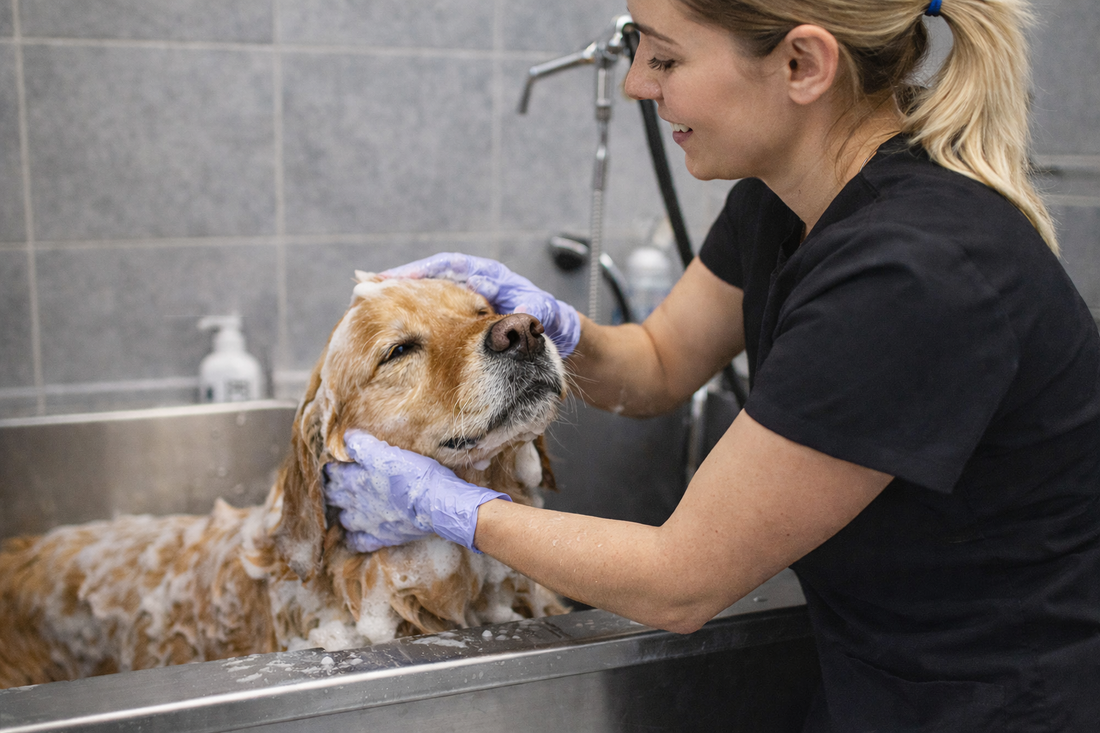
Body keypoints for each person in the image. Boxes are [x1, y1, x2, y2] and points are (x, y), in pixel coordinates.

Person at [322, 0, 1100, 729]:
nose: (635, 84)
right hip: (881, 676)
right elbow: (659, 364)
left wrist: (451, 505)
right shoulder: (785, 198)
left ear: (802, 65)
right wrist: (564, 326)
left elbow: (679, 582)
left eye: (663, 57)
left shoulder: (912, 272)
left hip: (1005, 700)